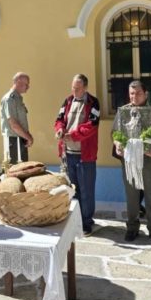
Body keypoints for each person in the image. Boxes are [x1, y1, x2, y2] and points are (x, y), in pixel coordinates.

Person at [112, 80, 151, 245]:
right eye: (131, 93)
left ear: (146, 94)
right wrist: (117, 144)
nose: (134, 96)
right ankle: (132, 228)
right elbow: (115, 133)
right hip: (129, 160)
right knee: (132, 196)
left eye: (138, 93)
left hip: (149, 159)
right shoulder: (123, 112)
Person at [54, 74, 100, 237]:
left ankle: (86, 223)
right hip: (67, 153)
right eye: (73, 87)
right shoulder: (67, 101)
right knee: (72, 189)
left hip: (84, 155)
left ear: (85, 88)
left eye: (78, 88)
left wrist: (73, 135)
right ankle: (74, 220)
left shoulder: (93, 103)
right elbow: (59, 120)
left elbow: (92, 125)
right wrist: (60, 129)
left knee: (86, 190)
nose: (74, 91)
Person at [0, 72, 33, 164]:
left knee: (23, 169)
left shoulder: (18, 99)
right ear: (18, 82)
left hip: (21, 139)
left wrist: (27, 135)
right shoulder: (10, 99)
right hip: (13, 141)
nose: (28, 87)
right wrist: (28, 137)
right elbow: (13, 124)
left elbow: (21, 121)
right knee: (15, 170)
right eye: (26, 84)